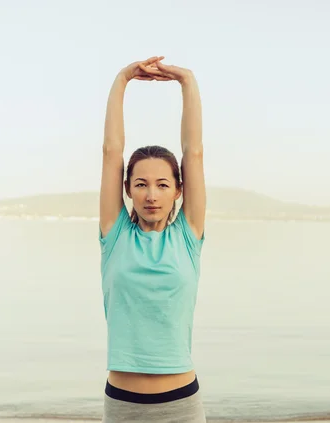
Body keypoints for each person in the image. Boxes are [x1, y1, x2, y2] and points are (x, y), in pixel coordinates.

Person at [98, 55, 207, 422]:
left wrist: (187, 82)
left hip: (181, 403)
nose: (151, 195)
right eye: (141, 184)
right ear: (127, 189)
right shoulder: (115, 237)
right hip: (123, 404)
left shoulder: (188, 237)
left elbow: (194, 153)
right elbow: (112, 153)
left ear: (179, 190)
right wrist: (123, 78)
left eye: (163, 185)